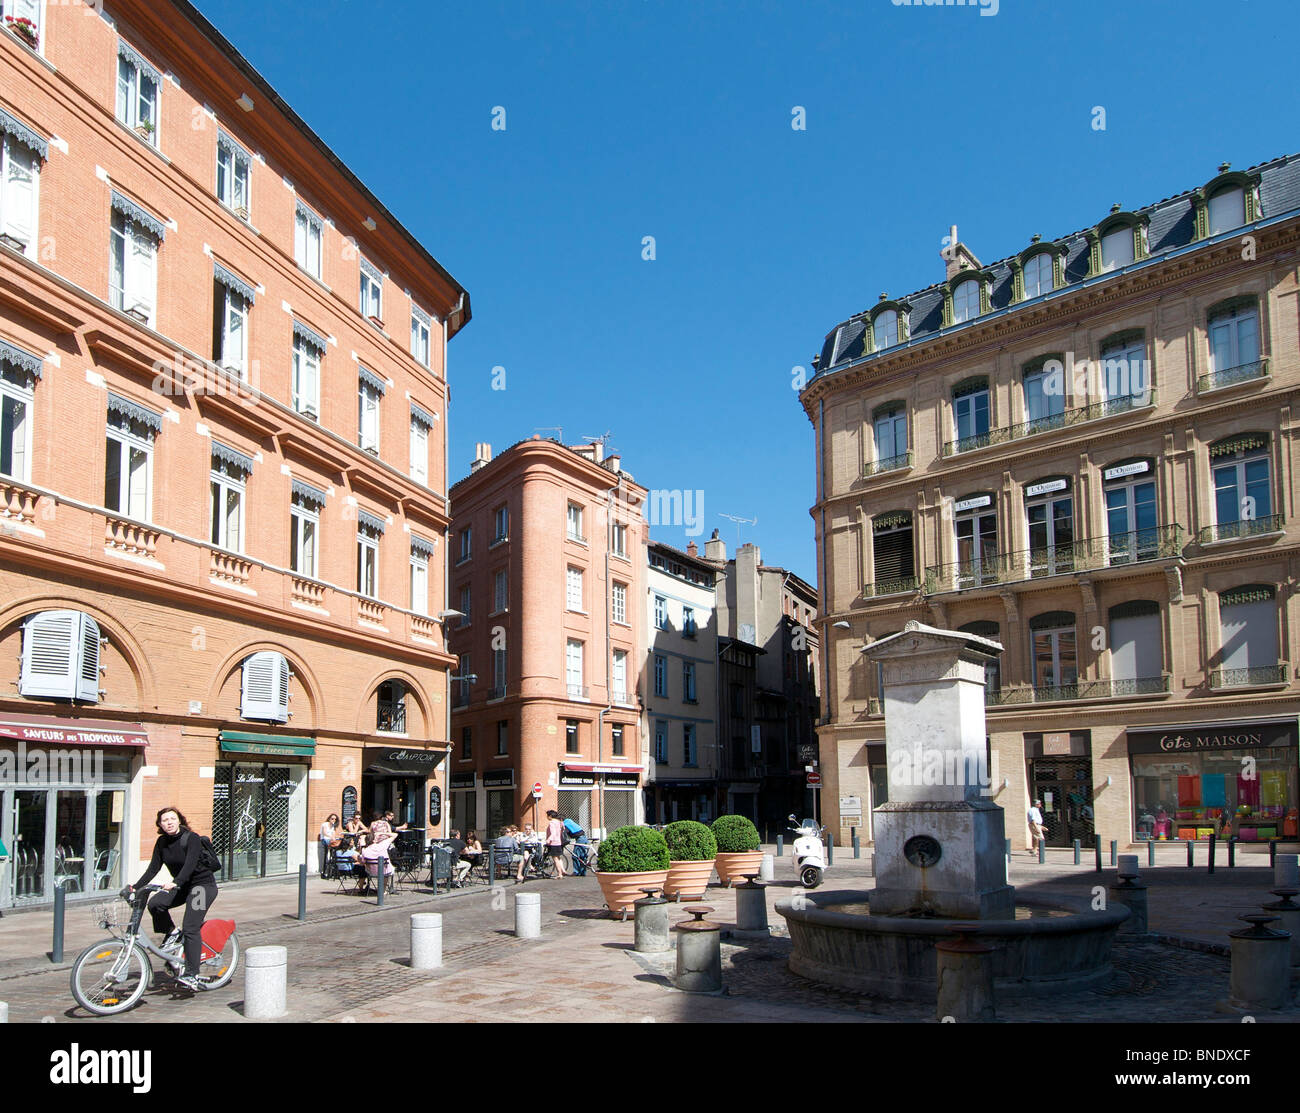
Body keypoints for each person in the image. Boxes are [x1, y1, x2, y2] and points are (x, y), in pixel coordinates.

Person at [131, 807, 217, 992]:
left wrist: (175, 882)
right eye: (165, 820)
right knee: (155, 904)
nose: (169, 822)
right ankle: (171, 933)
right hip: (181, 886)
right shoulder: (162, 842)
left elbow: (190, 864)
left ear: (179, 820)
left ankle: (192, 974)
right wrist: (135, 887)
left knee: (191, 927)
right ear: (160, 824)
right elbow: (153, 869)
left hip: (202, 886)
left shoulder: (191, 838)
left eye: (172, 818)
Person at [544, 809, 567, 878]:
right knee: (558, 858)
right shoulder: (559, 822)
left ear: (550, 816)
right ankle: (562, 871)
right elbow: (563, 829)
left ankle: (559, 874)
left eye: (547, 815)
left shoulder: (552, 823)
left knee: (555, 859)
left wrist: (548, 839)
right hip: (558, 842)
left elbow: (553, 833)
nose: (547, 817)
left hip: (553, 843)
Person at [319, 813, 340, 878]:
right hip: (325, 839)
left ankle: (333, 870)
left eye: (335, 819)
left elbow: (333, 834)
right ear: (329, 819)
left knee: (338, 844)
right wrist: (331, 837)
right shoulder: (325, 824)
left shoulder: (333, 826)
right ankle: (325, 872)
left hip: (330, 840)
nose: (333, 820)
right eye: (332, 819)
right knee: (332, 845)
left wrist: (334, 838)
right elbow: (324, 833)